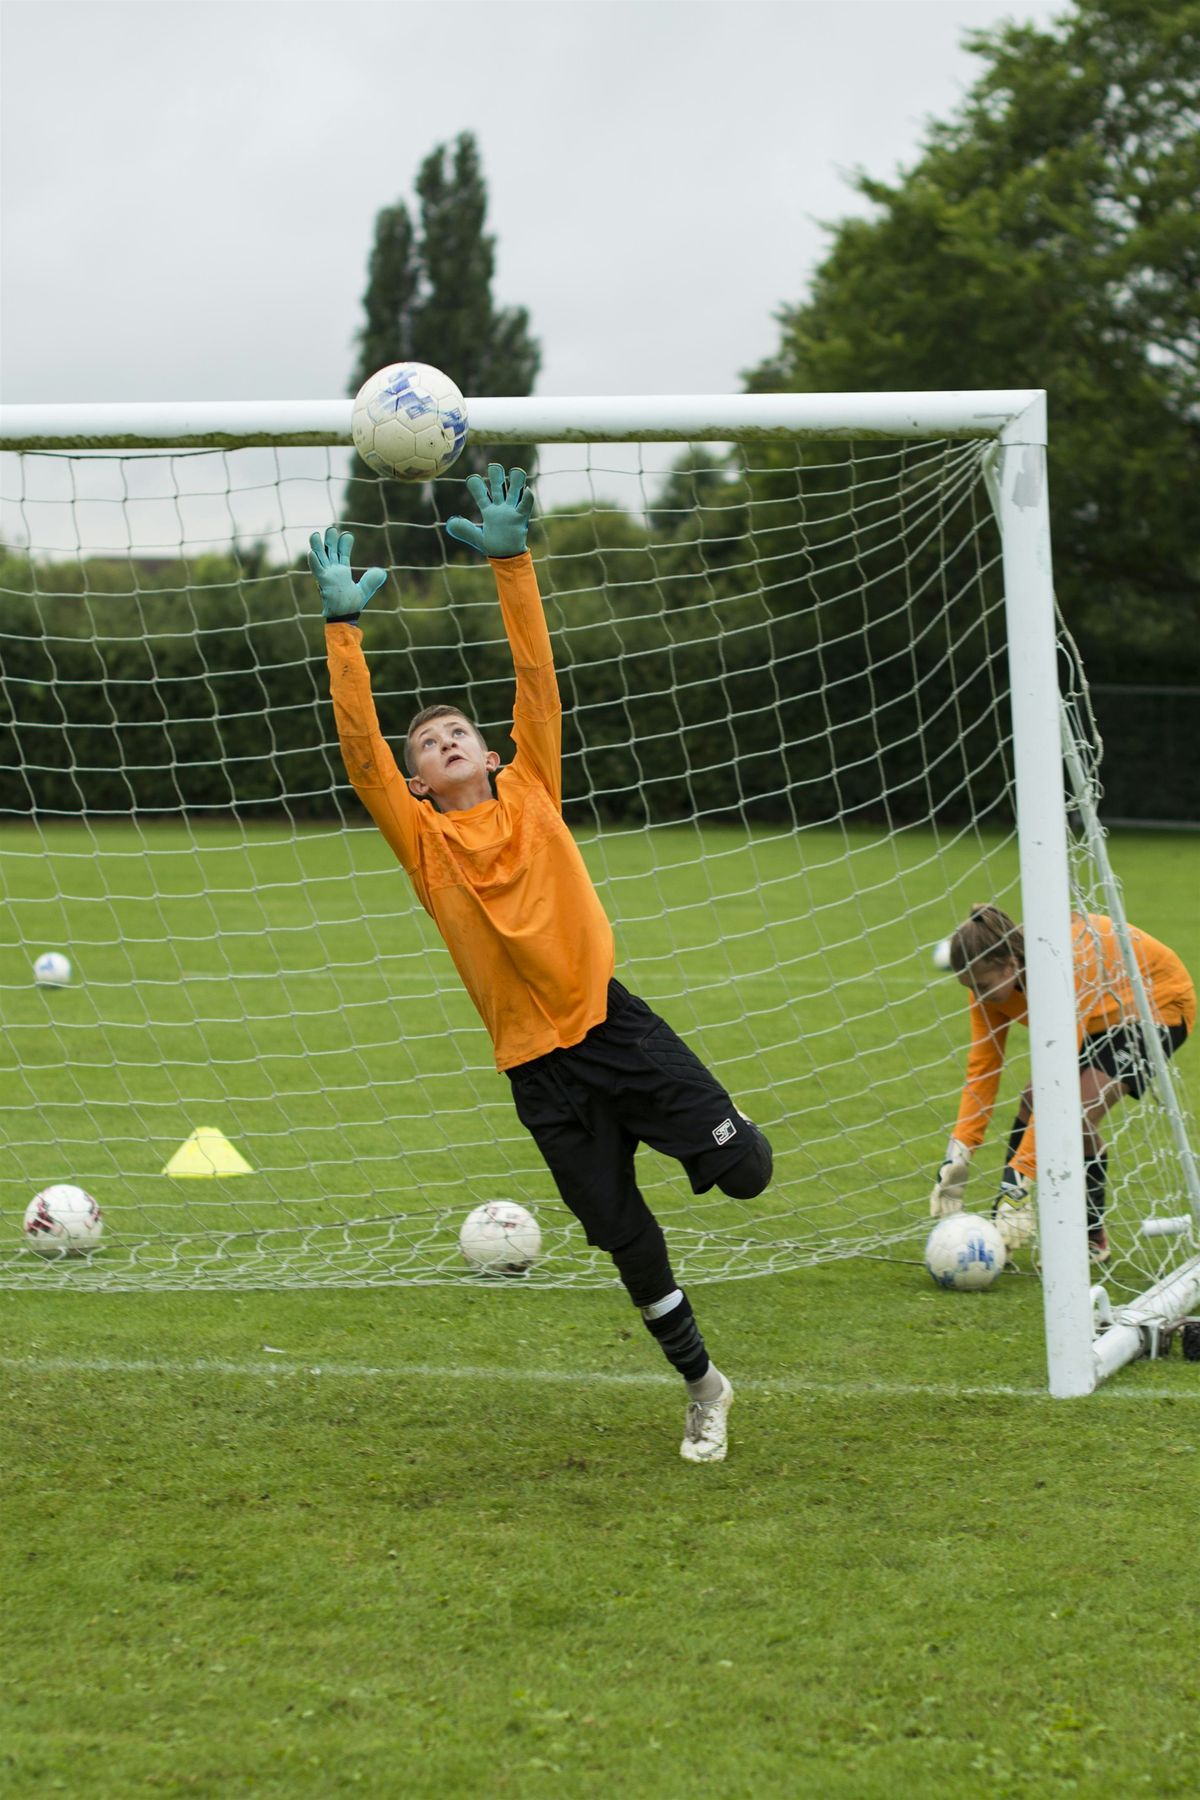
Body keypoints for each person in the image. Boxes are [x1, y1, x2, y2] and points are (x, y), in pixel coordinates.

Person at [309, 465, 772, 1463]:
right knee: (624, 1240)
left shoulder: (535, 790)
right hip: (540, 1073)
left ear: (484, 750)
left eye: (455, 732)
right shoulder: (427, 850)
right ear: (423, 784)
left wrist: (515, 563)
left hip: (617, 1027)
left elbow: (536, 680)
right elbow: (360, 753)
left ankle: (708, 1148)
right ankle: (703, 1385)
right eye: (427, 745)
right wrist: (345, 636)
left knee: (748, 1173)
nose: (442, 742)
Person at [930, 903, 1195, 1261]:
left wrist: (1019, 1178)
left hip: (1155, 1004)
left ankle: (1088, 1235)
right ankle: (1004, 1228)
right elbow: (983, 1070)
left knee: (1078, 1108)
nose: (977, 994)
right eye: (969, 987)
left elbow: (1061, 1088)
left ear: (1011, 963)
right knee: (1031, 1100)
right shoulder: (985, 987)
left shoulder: (1062, 964)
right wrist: (959, 1151)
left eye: (982, 985)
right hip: (1097, 1017)